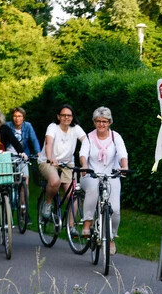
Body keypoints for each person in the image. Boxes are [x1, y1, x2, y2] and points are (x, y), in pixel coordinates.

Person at [78, 107, 128, 253]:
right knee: (93, 190)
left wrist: (124, 166)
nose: (101, 124)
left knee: (116, 210)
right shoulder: (89, 137)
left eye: (104, 121)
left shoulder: (115, 137)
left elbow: (122, 153)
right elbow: (83, 153)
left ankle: (111, 237)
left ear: (109, 122)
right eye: (98, 121)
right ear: (94, 122)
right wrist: (84, 165)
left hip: (111, 175)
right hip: (91, 174)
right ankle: (87, 222)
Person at [38, 104, 86, 230]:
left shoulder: (76, 128)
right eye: (63, 115)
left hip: (67, 163)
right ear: (58, 116)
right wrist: (50, 157)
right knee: (55, 181)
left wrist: (87, 160)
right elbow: (49, 143)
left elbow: (86, 142)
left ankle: (71, 227)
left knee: (73, 195)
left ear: (72, 117)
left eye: (69, 115)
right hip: (48, 162)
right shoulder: (53, 127)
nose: (66, 117)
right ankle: (48, 203)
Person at [5, 106, 40, 183]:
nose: (17, 118)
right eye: (15, 116)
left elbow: (34, 139)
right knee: (7, 181)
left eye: (19, 116)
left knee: (25, 180)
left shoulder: (28, 126)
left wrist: (38, 152)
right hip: (8, 155)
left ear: (23, 117)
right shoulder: (7, 126)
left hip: (22, 156)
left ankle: (24, 194)